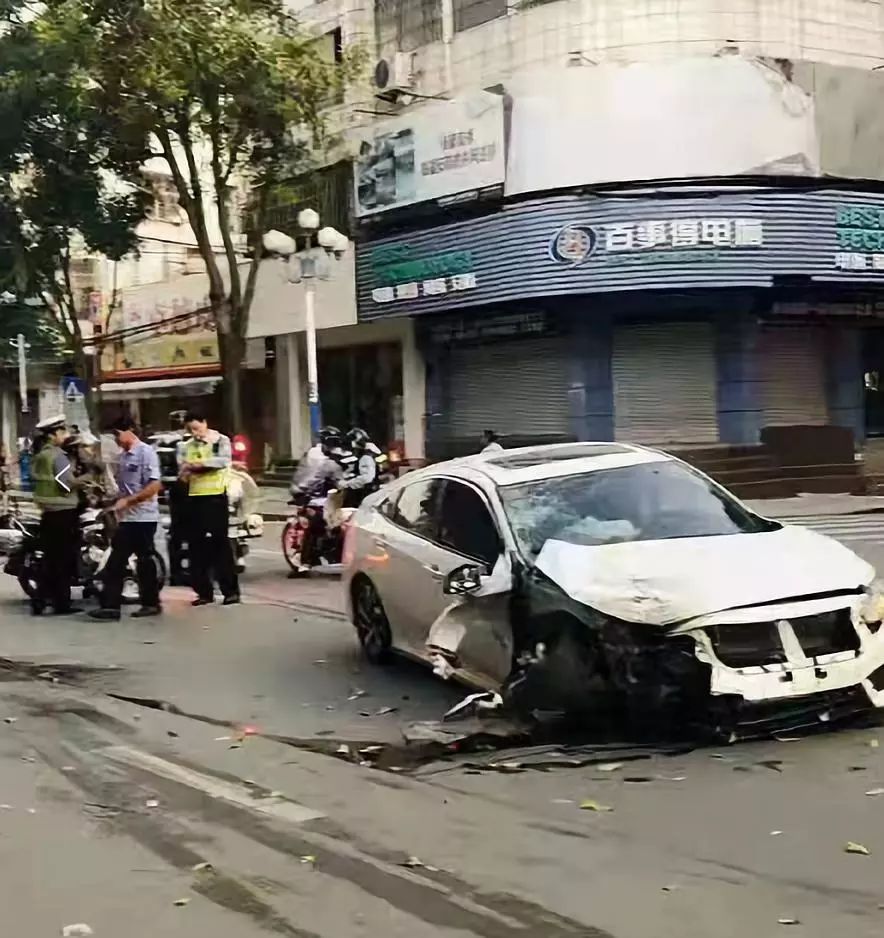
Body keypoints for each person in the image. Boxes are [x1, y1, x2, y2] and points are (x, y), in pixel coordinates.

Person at [89, 417, 163, 621]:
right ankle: (120, 605)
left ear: (130, 431)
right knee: (122, 561)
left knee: (136, 560)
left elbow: (154, 486)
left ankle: (144, 603)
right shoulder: (122, 457)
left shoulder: (146, 453)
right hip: (128, 518)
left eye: (118, 434)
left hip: (144, 517)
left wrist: (129, 501)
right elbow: (123, 490)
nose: (117, 439)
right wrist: (108, 502)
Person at [178, 411, 239, 606]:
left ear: (205, 423)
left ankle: (230, 591)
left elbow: (222, 461)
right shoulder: (185, 445)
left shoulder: (220, 440)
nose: (195, 433)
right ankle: (203, 592)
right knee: (196, 546)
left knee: (221, 545)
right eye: (190, 430)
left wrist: (198, 464)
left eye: (197, 428)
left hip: (215, 497)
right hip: (194, 498)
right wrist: (187, 470)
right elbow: (181, 466)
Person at [31, 415, 83, 615]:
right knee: (62, 561)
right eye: (63, 432)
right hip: (63, 512)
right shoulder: (58, 456)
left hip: (48, 512)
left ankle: (40, 600)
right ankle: (62, 603)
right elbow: (65, 484)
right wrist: (86, 478)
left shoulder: (41, 455)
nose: (66, 435)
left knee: (50, 560)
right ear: (54, 435)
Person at [340, 427, 382, 509]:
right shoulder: (368, 455)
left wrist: (347, 484)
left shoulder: (366, 458)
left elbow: (367, 478)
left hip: (366, 495)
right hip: (369, 494)